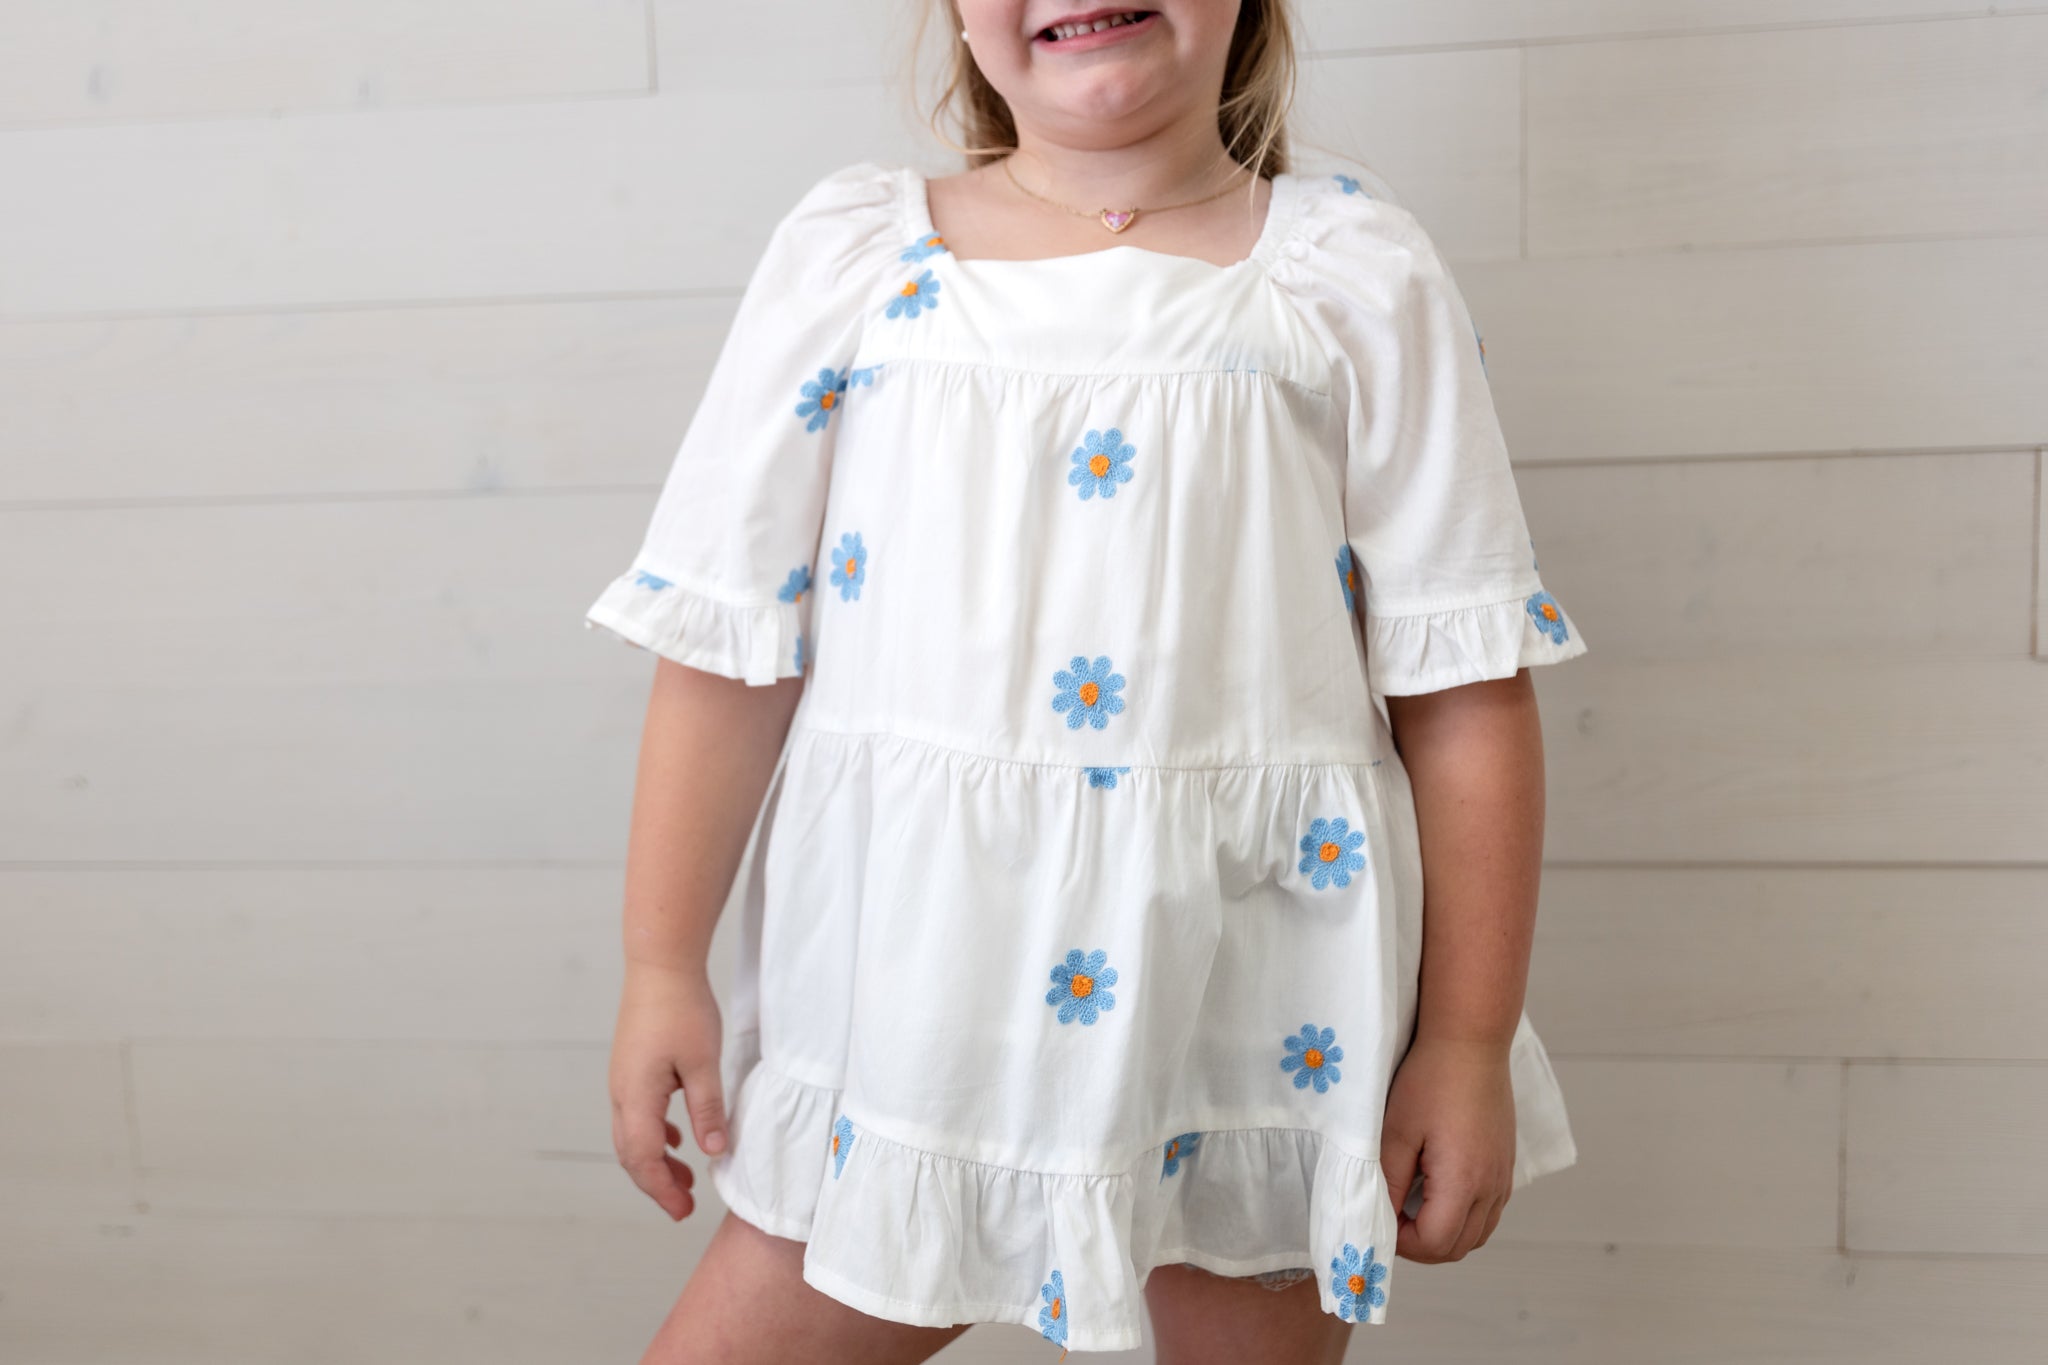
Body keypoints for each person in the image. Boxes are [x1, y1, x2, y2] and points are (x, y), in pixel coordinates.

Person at [586, 3, 1587, 1361]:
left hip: (1254, 995)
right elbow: (725, 648)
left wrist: (1466, 1039)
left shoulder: (1354, 274)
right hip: (917, 995)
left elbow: (1463, 684)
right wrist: (660, 963)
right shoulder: (853, 261)